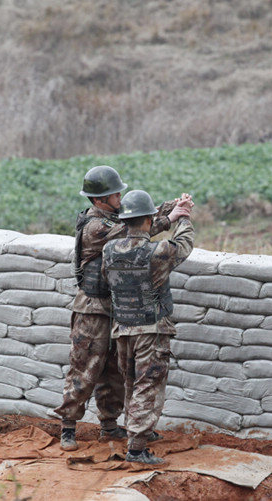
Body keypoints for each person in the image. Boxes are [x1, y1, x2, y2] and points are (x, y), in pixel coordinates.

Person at [53, 165, 187, 451]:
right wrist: (171, 219)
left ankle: (109, 424)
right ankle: (68, 426)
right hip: (92, 309)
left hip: (115, 308)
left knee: (114, 371)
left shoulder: (110, 216)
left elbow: (137, 215)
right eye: (115, 194)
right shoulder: (95, 227)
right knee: (86, 367)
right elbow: (134, 228)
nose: (120, 196)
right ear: (99, 200)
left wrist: (174, 204)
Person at [102, 189, 194, 466]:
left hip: (123, 329)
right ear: (147, 220)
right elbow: (185, 244)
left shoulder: (109, 249)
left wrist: (168, 214)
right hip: (151, 331)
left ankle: (137, 431)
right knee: (147, 386)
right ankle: (137, 448)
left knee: (131, 383)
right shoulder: (158, 252)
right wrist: (184, 217)